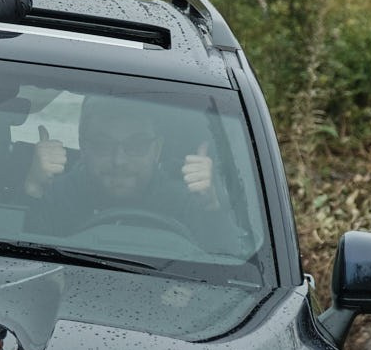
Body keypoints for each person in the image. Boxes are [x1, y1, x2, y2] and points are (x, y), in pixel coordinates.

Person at [20, 95, 227, 245]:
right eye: (103, 145)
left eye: (136, 145)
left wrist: (212, 209)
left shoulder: (185, 202)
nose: (119, 160)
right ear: (83, 147)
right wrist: (33, 190)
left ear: (157, 149)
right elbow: (21, 260)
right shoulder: (57, 196)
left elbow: (226, 269)